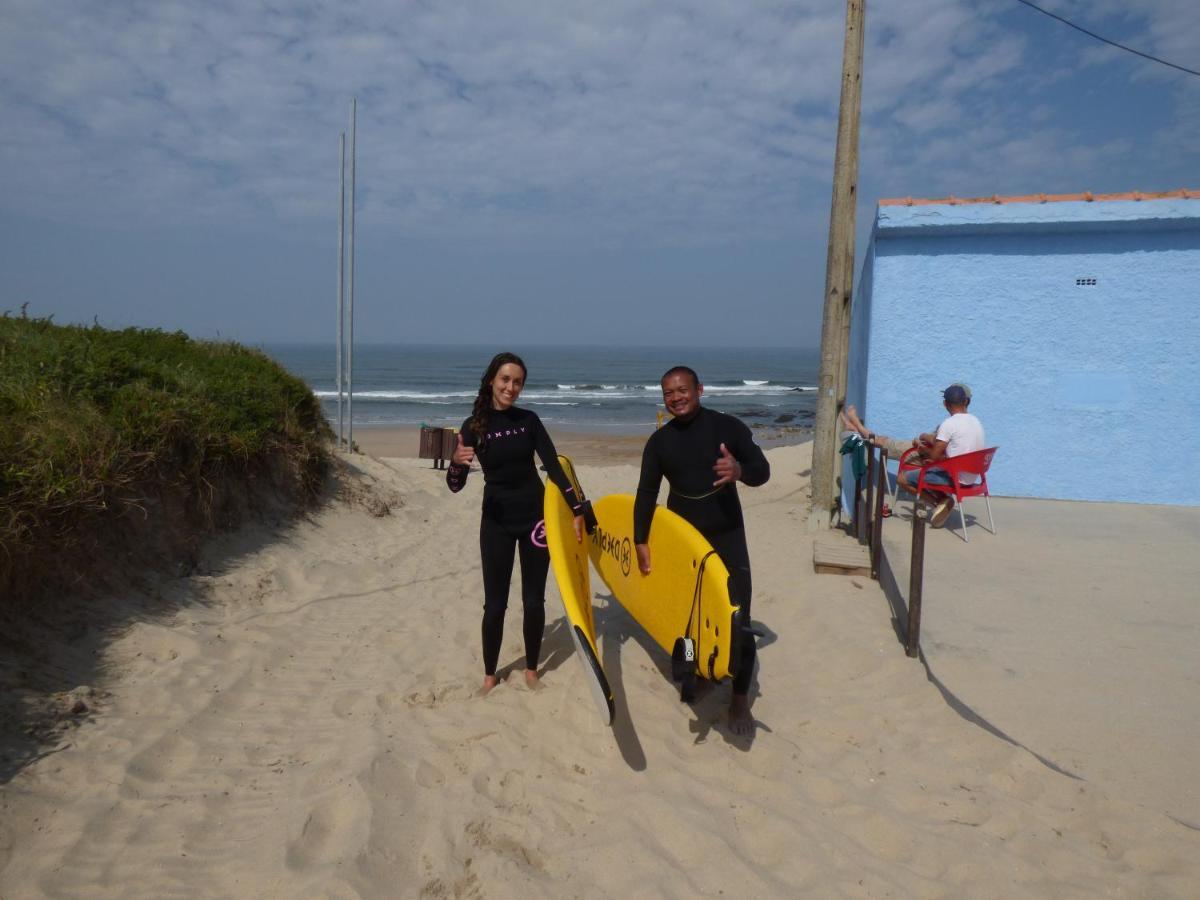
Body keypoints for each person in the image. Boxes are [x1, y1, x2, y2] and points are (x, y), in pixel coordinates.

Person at [634, 366, 770, 736]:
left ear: (699, 389)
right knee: (689, 620)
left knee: (739, 621)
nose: (675, 398)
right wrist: (641, 540)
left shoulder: (727, 428)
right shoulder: (659, 442)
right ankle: (697, 671)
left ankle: (739, 696)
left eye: (682, 390)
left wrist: (739, 470)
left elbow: (763, 470)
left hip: (727, 536)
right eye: (668, 393)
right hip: (685, 542)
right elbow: (646, 493)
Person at [446, 352, 585, 694]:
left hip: (536, 521)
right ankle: (490, 674)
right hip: (496, 522)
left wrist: (577, 508)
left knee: (534, 600)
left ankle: (532, 669)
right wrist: (456, 463)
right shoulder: (473, 427)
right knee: (495, 604)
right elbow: (454, 485)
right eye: (505, 379)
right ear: (492, 379)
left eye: (517, 382)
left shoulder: (529, 421)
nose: (511, 387)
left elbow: (553, 467)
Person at [841, 383, 984, 527]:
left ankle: (858, 427)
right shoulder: (975, 421)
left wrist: (921, 446)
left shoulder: (951, 424)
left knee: (889, 453)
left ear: (945, 403)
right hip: (970, 476)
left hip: (942, 467)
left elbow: (934, 454)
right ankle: (856, 428)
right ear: (965, 402)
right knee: (885, 441)